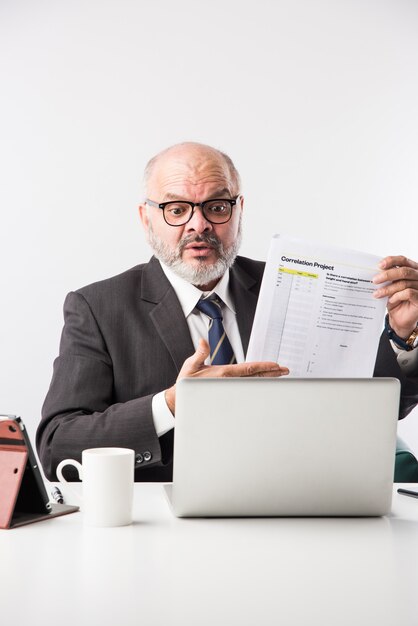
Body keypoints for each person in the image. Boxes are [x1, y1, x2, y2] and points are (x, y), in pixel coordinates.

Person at [36, 142, 418, 481]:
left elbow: (374, 411)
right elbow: (57, 446)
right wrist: (171, 404)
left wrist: (402, 336)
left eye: (216, 207)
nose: (198, 224)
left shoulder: (295, 287)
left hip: (297, 506)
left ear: (239, 210)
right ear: (145, 217)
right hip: (165, 528)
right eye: (176, 209)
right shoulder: (98, 308)